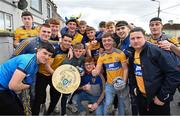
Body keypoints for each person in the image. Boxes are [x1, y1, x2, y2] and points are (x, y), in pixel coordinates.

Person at [128, 27, 180, 115]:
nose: (135, 41)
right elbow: (132, 74)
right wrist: (134, 88)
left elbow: (174, 74)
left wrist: (163, 97)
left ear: (145, 38)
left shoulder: (157, 51)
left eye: (138, 37)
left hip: (157, 100)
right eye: (132, 38)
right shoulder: (132, 53)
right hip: (142, 99)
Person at [0, 41, 54, 115]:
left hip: (5, 88)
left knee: (20, 108)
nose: (47, 57)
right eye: (44, 53)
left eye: (49, 55)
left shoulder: (36, 63)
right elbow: (13, 86)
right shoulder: (28, 61)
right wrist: (27, 86)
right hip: (3, 88)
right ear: (38, 50)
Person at [32, 33, 73, 115]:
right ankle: (37, 112)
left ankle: (49, 112)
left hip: (53, 75)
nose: (67, 43)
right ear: (61, 40)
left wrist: (71, 49)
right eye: (65, 40)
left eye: (69, 41)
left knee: (56, 97)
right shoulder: (54, 50)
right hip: (42, 74)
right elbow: (47, 66)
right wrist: (58, 76)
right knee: (39, 97)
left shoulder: (69, 50)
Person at [92, 32, 131, 115]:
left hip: (121, 84)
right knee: (108, 103)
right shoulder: (102, 56)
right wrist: (94, 72)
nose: (106, 42)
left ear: (113, 41)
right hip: (109, 84)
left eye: (109, 40)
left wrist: (123, 82)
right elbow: (97, 70)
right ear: (102, 43)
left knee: (122, 105)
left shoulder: (120, 53)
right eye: (104, 41)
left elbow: (125, 69)